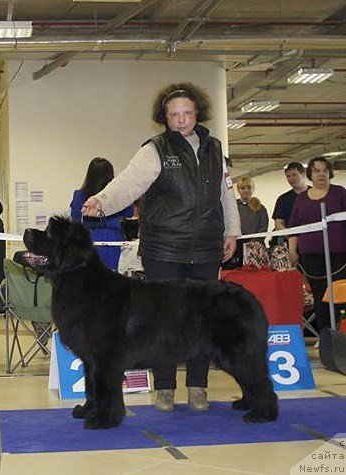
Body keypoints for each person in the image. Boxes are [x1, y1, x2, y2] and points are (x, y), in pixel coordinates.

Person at [82, 82, 240, 413]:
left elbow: (226, 195)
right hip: (163, 249)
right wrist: (102, 200)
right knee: (163, 322)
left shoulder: (215, 150)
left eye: (186, 113)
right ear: (164, 118)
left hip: (206, 248)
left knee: (201, 320)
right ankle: (165, 388)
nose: (181, 120)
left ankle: (198, 388)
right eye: (173, 115)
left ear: (198, 113)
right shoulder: (154, 149)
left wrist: (232, 231)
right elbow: (128, 183)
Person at [288, 157, 346, 333]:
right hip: (311, 257)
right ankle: (325, 336)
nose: (321, 174)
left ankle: (341, 334)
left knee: (339, 295)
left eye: (324, 170)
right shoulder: (301, 200)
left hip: (339, 255)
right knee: (320, 297)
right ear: (310, 175)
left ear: (330, 173)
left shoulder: (340, 193)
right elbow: (294, 227)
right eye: (317, 171)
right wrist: (292, 250)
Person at [70, 157, 134, 270]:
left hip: (89, 241)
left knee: (91, 278)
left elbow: (75, 219)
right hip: (115, 241)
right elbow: (129, 213)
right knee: (113, 280)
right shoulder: (118, 196)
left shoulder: (79, 195)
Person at [225, 176, 268, 268]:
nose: (246, 190)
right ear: (238, 190)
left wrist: (253, 244)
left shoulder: (261, 208)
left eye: (248, 187)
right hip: (235, 245)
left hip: (254, 247)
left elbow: (263, 228)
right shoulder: (232, 206)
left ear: (252, 189)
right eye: (243, 188)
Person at [273, 162, 310, 231]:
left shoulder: (317, 194)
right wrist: (289, 236)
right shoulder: (282, 199)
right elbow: (278, 223)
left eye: (294, 175)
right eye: (288, 176)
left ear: (303, 174)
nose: (291, 179)